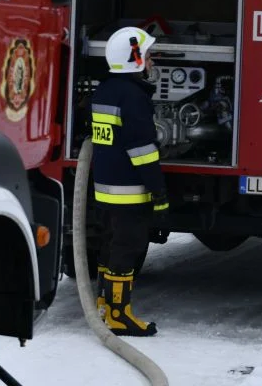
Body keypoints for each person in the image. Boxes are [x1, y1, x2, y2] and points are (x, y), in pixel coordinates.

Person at [90, 26, 170, 337]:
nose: (151, 62)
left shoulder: (105, 91)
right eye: (148, 56)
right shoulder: (134, 97)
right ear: (134, 59)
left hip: (106, 189)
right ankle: (119, 315)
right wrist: (159, 193)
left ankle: (103, 305)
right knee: (129, 248)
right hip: (129, 191)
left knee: (110, 246)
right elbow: (142, 152)